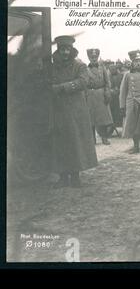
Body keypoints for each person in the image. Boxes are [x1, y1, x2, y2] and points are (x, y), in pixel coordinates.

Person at [50, 35, 98, 187]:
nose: (65, 52)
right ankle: (63, 177)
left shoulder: (79, 66)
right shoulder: (52, 67)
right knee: (60, 143)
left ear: (71, 50)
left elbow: (83, 82)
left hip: (75, 110)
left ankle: (75, 176)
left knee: (75, 142)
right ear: (58, 50)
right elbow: (48, 82)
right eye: (62, 49)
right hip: (58, 110)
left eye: (67, 49)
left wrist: (63, 87)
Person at [119, 50, 140, 154]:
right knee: (133, 125)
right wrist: (122, 106)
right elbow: (123, 91)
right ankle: (135, 146)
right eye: (136, 61)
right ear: (132, 62)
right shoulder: (127, 75)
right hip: (132, 102)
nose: (138, 63)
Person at [85, 48, 113, 145]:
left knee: (103, 119)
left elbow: (107, 82)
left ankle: (104, 138)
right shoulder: (85, 69)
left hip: (101, 95)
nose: (94, 59)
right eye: (92, 57)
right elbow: (84, 84)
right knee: (91, 119)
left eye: (95, 57)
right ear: (89, 58)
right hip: (91, 95)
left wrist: (107, 92)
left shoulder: (102, 68)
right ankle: (92, 139)